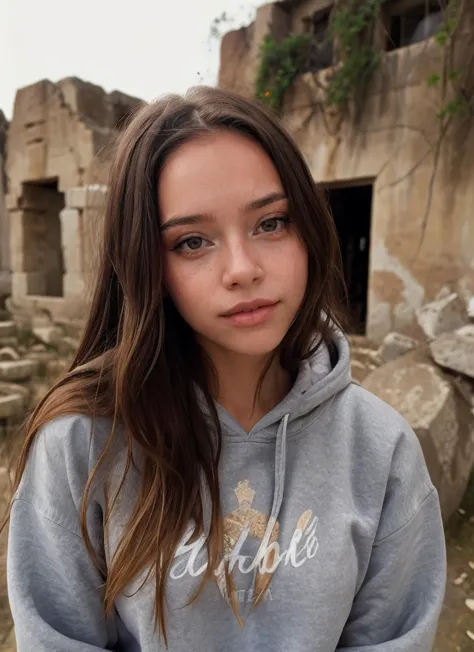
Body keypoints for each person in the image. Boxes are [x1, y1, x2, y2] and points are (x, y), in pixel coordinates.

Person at [5, 86, 446, 651]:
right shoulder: (80, 447)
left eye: (271, 223)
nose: (242, 268)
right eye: (192, 241)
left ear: (308, 229)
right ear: (146, 264)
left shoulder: (381, 449)